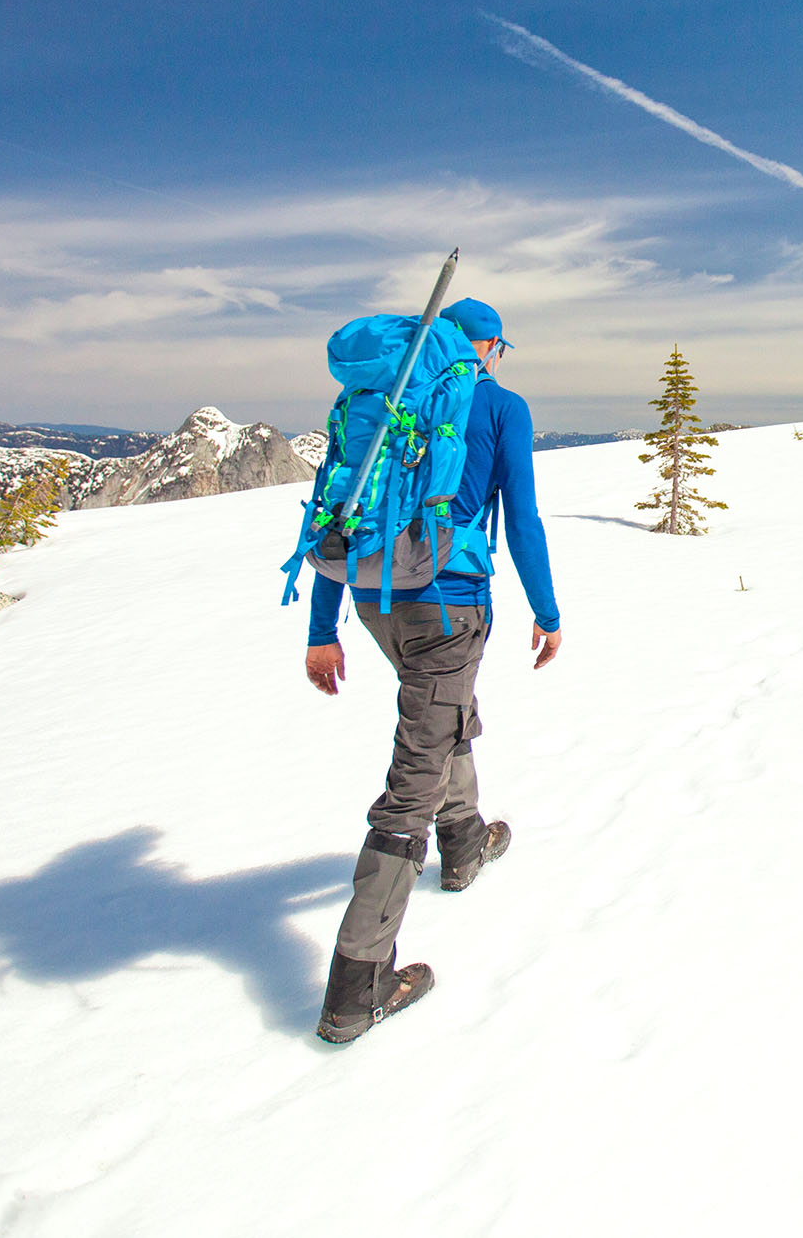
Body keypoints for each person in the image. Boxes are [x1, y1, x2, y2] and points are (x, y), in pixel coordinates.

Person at [303, 297, 563, 1044]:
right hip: (451, 605)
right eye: (500, 347)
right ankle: (359, 981)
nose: (500, 358)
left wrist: (324, 627)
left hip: (377, 600)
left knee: (442, 712)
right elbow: (522, 521)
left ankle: (465, 840)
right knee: (414, 770)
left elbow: (341, 514)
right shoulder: (501, 406)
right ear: (484, 346)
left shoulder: (376, 404)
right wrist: (547, 611)